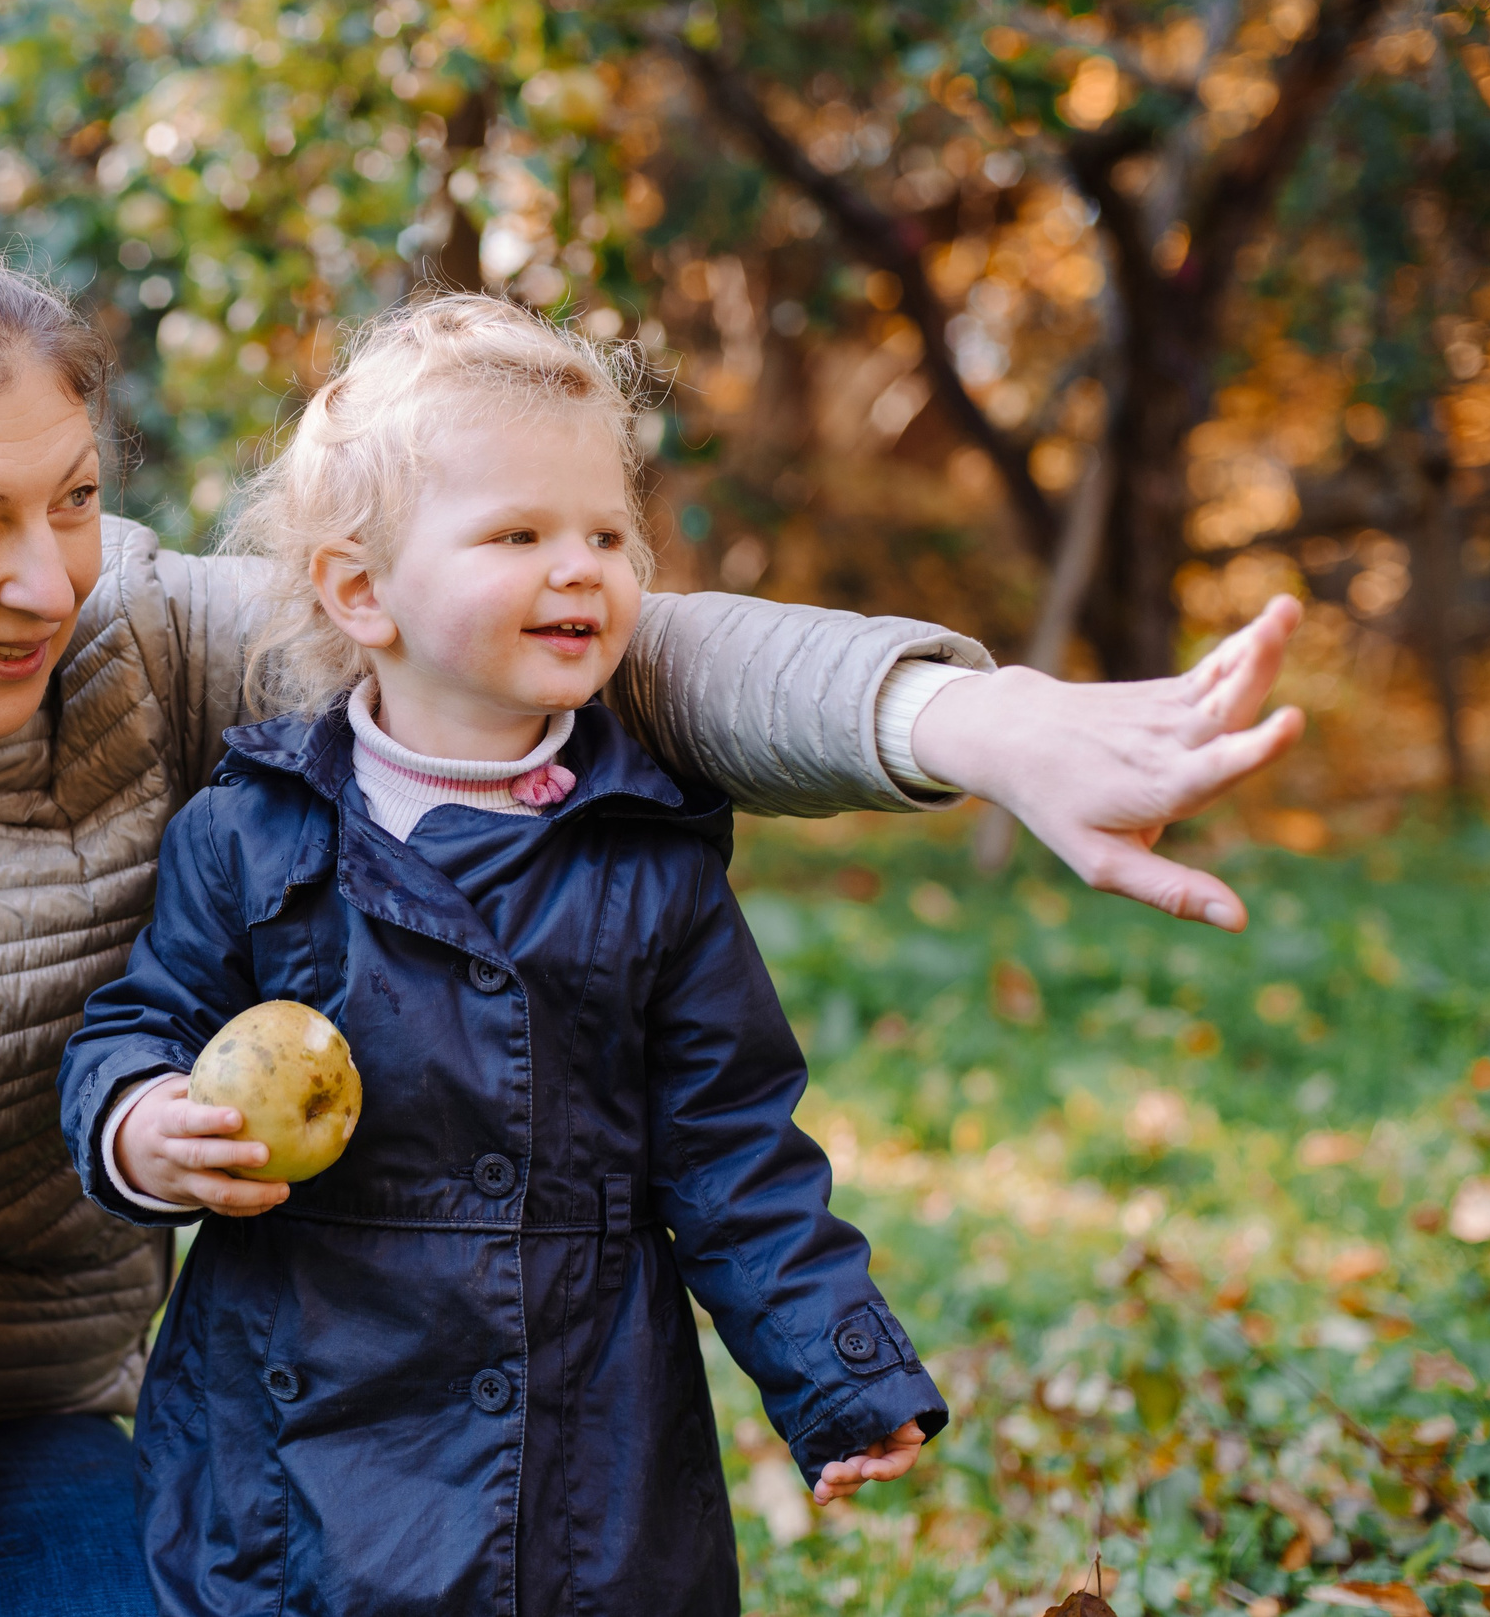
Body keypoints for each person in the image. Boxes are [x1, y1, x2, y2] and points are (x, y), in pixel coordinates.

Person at [0, 232, 1304, 1617]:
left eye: (68, 497)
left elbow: (562, 638)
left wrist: (974, 716)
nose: (47, 577)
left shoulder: (155, 651)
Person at [63, 297, 947, 1615]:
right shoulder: (253, 834)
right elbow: (137, 1018)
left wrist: (841, 1369)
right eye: (519, 534)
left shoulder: (650, 854)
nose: (581, 564)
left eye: (606, 532)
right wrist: (143, 1120)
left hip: (577, 1436)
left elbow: (732, 1149)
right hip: (297, 1432)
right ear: (361, 589)